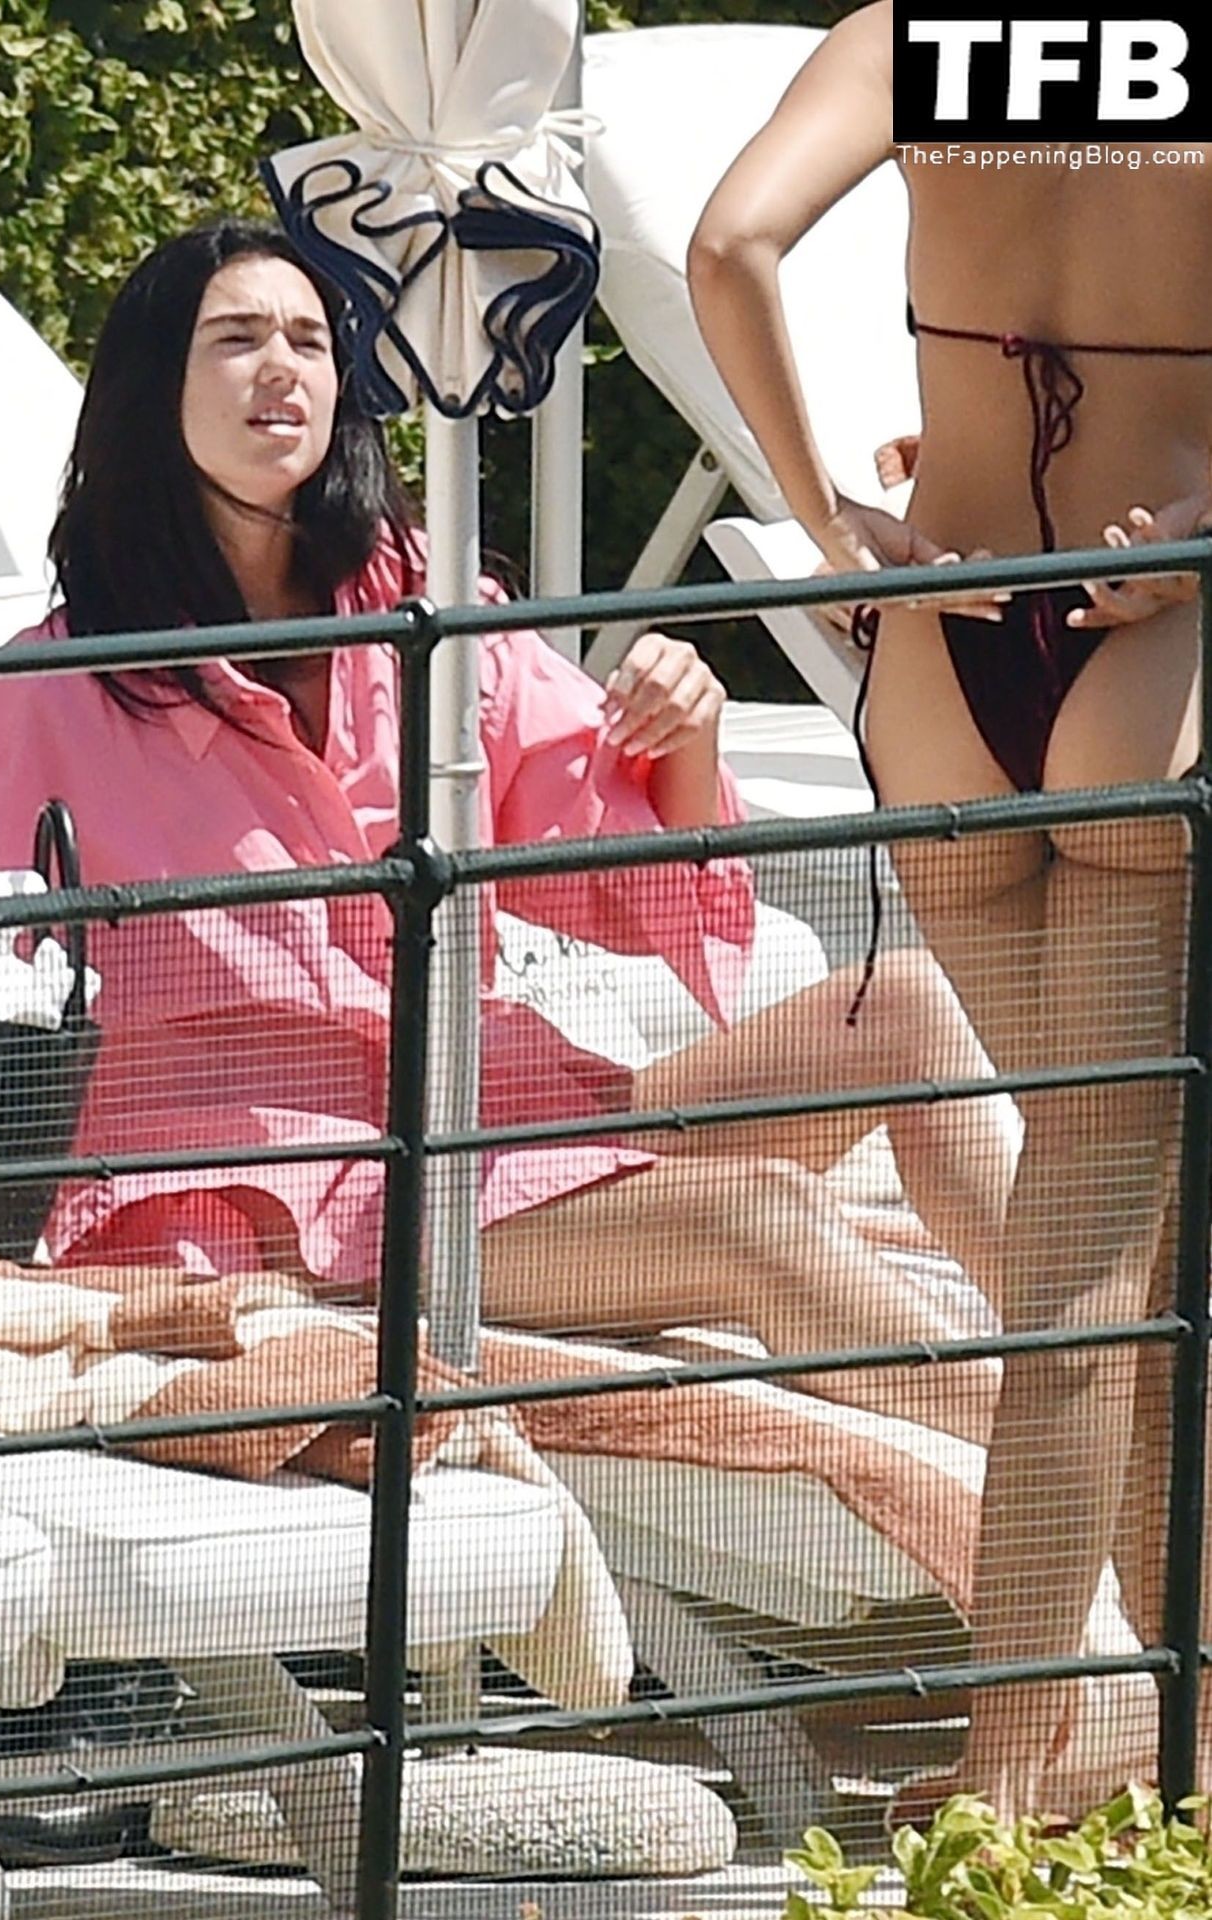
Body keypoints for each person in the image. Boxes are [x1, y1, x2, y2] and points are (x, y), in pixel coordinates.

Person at [0, 217, 1012, 1444]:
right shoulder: (51, 695)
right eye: (235, 339)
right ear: (151, 385)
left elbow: (628, 872)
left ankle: (1103, 1361)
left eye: (308, 340)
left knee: (904, 1008)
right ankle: (1082, 1467)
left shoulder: (423, 619)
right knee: (754, 1217)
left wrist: (686, 733)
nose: (282, 366)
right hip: (281, 1196)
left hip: (475, 1113)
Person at [685, 0, 1211, 1815]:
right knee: (1094, 1273)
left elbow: (728, 245)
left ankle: (1182, 1750)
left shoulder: (921, 41)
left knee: (1122, 1253)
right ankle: (1002, 1778)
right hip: (1155, 644)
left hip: (941, 647)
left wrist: (829, 524)